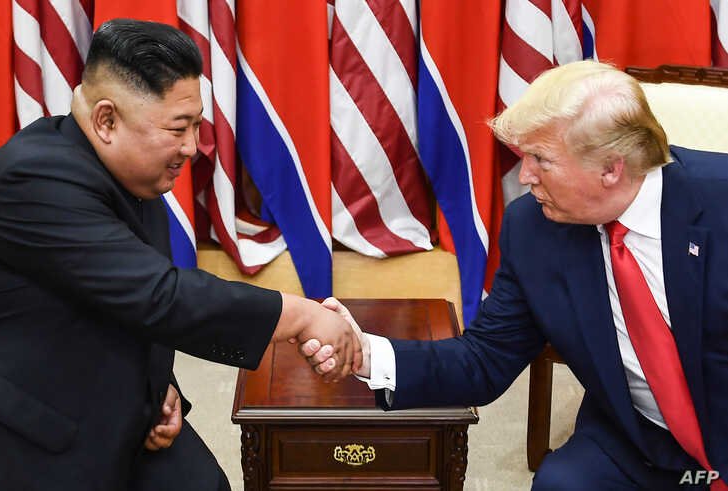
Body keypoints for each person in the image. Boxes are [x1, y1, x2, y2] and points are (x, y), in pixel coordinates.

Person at [306, 61, 728, 490]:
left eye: (541, 160)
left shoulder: (720, 202)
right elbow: (484, 359)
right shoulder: (534, 229)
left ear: (611, 169)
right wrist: (367, 354)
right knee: (560, 483)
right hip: (637, 440)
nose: (525, 176)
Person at [0, 19, 361, 491]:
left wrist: (159, 382)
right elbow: (159, 295)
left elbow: (120, 294)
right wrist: (301, 316)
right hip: (40, 433)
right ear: (106, 120)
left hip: (132, 405)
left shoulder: (129, 170)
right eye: (177, 129)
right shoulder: (33, 179)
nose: (193, 146)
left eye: (197, 126)